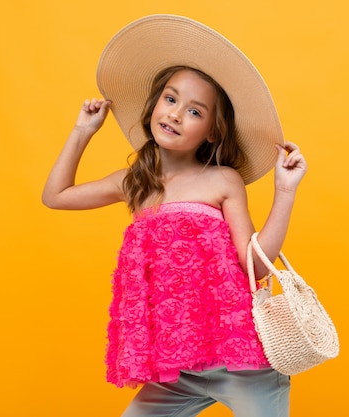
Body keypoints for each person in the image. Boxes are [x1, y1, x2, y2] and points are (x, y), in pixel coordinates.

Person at [42, 15, 307, 417]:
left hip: (241, 359)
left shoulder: (222, 180)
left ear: (214, 132)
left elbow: (254, 264)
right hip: (178, 365)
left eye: (195, 111)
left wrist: (284, 191)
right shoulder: (136, 182)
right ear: (154, 104)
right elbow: (55, 196)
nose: (176, 114)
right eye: (170, 98)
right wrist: (83, 130)